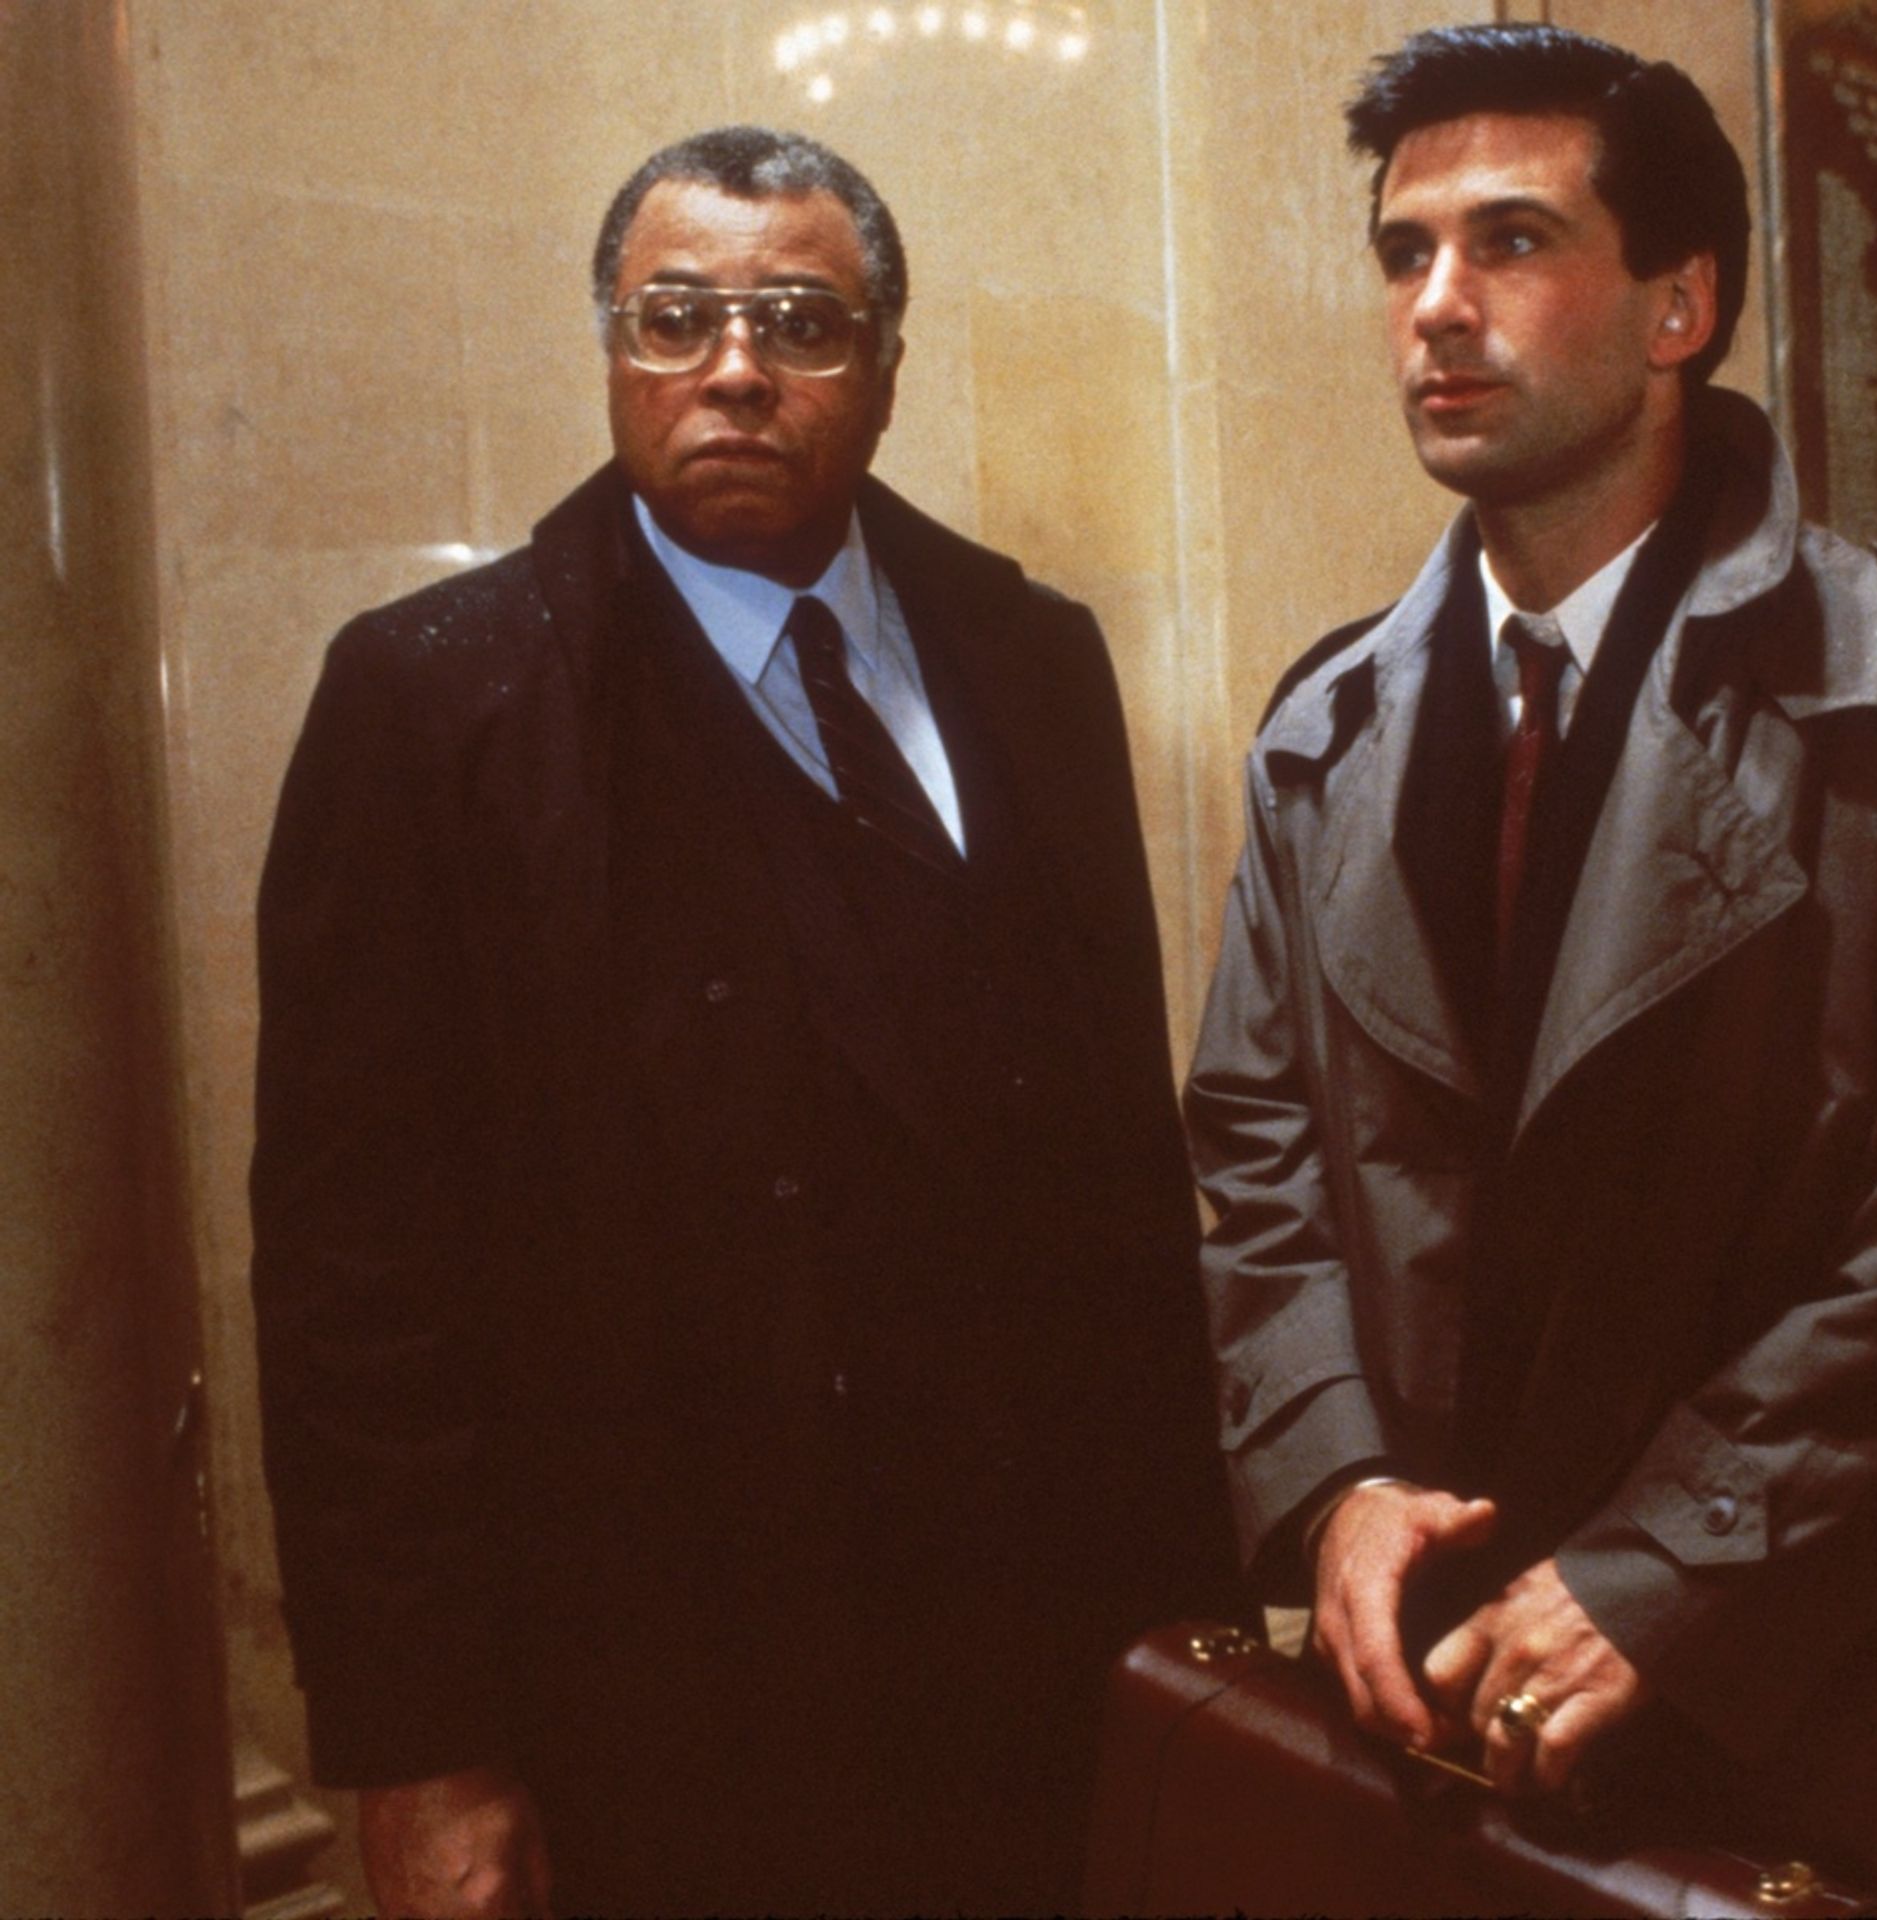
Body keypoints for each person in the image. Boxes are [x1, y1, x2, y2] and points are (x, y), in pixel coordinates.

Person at [1183, 25, 1877, 1914]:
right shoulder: (1326, 729)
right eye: (1405, 252)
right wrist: (1336, 1485)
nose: (1436, 307)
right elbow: (1259, 1149)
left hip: (1790, 1682)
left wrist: (1662, 1575)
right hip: (1425, 1685)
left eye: (1512, 241)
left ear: (1679, 305)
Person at [251, 125, 1239, 1918]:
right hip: (662, 1704)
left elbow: (1118, 1193)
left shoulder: (1033, 657)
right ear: (612, 352)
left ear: (885, 367)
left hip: (1037, 1660)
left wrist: (1193, 1636)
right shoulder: (437, 701)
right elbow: (354, 1288)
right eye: (675, 318)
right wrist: (426, 1751)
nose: (732, 370)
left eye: (798, 322)